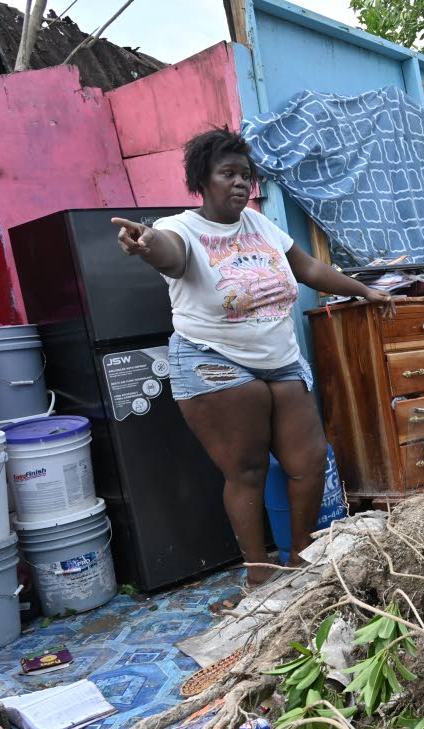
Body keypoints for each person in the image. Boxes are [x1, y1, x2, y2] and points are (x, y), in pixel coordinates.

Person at [112, 128, 394, 587]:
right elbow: (170, 255)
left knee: (310, 460)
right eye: (228, 174)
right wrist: (145, 245)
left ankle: (299, 558)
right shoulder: (180, 229)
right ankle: (259, 573)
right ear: (202, 180)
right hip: (213, 358)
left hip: (280, 358)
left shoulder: (260, 224)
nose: (241, 183)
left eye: (246, 175)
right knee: (247, 469)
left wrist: (365, 291)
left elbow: (310, 269)